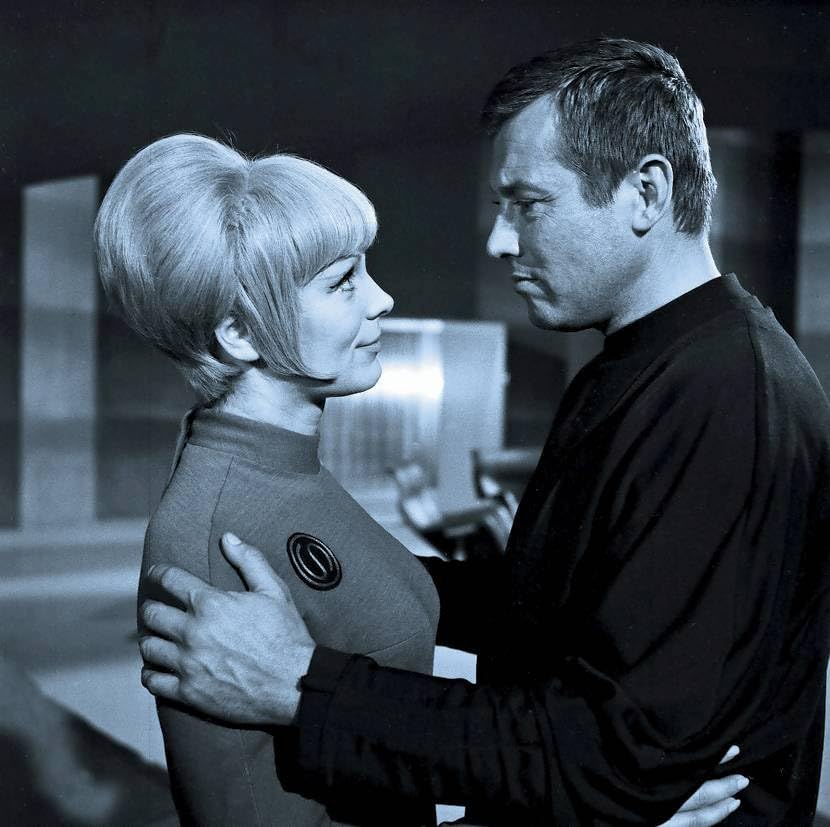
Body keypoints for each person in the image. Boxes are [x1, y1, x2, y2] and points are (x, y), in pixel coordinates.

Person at [138, 36, 830, 824]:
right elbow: (565, 603)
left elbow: (622, 756)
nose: (499, 239)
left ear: (646, 192)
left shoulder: (723, 397)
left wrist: (305, 685)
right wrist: (361, 582)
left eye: (528, 203)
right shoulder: (645, 362)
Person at [94, 134, 442, 825]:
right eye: (343, 281)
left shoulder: (294, 470)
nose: (382, 299)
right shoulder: (209, 534)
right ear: (240, 333)